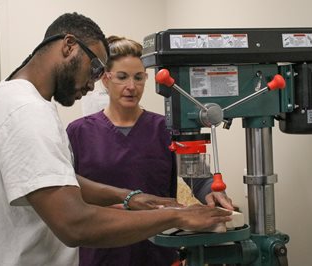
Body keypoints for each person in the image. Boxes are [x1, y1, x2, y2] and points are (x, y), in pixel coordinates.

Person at [0, 13, 233, 266]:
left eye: (139, 78)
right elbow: (74, 224)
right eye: (95, 69)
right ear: (69, 46)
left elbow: (56, 181)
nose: (92, 84)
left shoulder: (4, 96)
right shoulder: (29, 112)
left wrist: (130, 197)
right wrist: (176, 216)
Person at [66, 36, 234, 266]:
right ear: (106, 79)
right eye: (122, 77)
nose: (131, 87)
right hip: (101, 253)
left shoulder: (166, 128)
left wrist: (210, 193)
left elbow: (198, 177)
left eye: (139, 77)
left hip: (157, 252)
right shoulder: (79, 132)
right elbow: (70, 193)